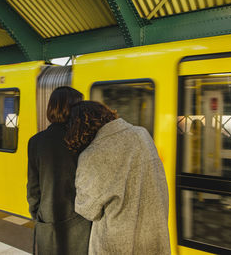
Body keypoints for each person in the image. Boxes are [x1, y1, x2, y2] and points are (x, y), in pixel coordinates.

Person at [65, 101, 171, 255]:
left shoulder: (92, 155)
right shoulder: (142, 134)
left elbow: (87, 210)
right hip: (154, 239)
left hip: (118, 246)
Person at [27, 87, 91, 255]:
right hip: (80, 222)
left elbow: (33, 189)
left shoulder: (35, 142)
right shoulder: (84, 139)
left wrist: (39, 215)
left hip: (48, 219)